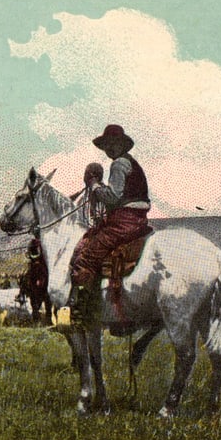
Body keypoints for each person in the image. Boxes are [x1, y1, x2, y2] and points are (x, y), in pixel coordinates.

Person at [63, 124, 151, 326]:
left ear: (122, 145)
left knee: (87, 256)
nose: (110, 148)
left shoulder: (119, 164)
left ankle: (82, 312)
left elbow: (112, 197)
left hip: (125, 220)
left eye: (114, 144)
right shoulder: (130, 163)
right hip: (137, 217)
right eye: (107, 145)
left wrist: (94, 185)